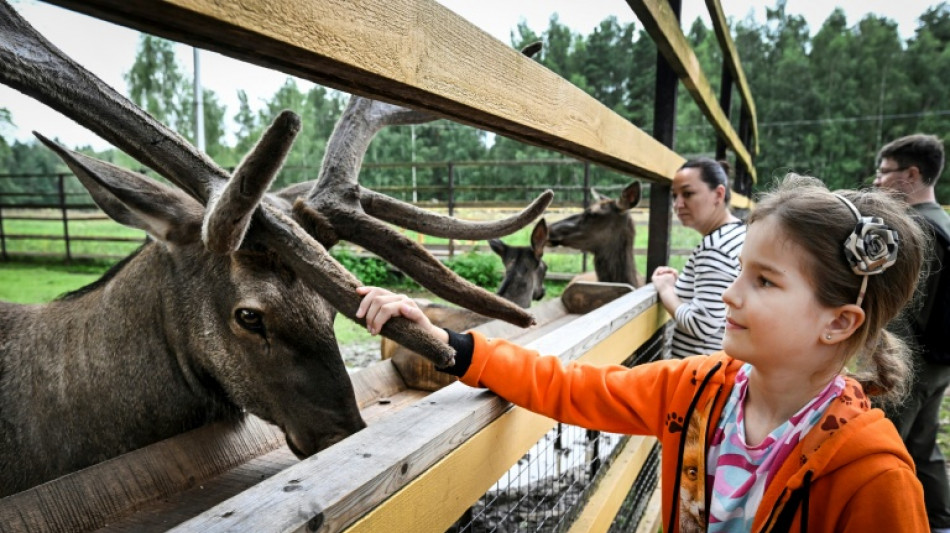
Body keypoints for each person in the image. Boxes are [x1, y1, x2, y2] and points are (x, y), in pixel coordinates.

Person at [357, 174, 929, 532]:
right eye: (739, 273)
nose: (730, 293)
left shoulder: (872, 478)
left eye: (764, 282)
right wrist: (452, 347)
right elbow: (576, 387)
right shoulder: (702, 389)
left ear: (839, 323)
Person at [874, 133, 950, 532]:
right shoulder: (944, 222)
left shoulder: (915, 229)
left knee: (882, 445)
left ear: (912, 174)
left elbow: (902, 311)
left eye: (884, 172)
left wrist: (881, 367)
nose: (877, 181)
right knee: (923, 445)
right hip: (941, 362)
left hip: (911, 364)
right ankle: (939, 522)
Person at [651, 158, 746, 358]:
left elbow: (701, 324)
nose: (677, 204)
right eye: (674, 196)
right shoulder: (737, 234)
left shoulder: (715, 247)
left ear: (718, 194)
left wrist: (666, 290)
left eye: (688, 194)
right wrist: (683, 285)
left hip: (701, 376)